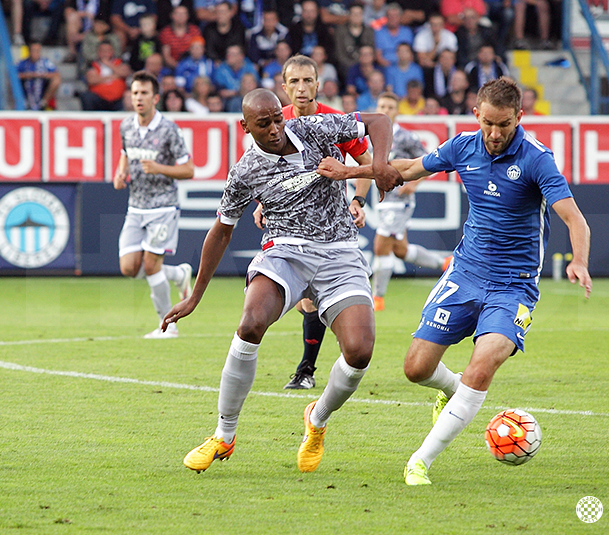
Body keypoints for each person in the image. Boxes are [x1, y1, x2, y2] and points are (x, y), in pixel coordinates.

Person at [315, 77, 592, 485]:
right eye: (489, 124)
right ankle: (451, 387)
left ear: (520, 117)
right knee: (416, 368)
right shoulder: (463, 145)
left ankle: (420, 460)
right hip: (465, 274)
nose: (495, 134)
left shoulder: (537, 159)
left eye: (505, 126)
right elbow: (408, 168)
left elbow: (574, 218)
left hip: (512, 286)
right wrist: (349, 173)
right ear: (476, 114)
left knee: (484, 364)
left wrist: (580, 261)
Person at [161, 87, 401, 475]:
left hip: (339, 250)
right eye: (264, 123)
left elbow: (378, 121)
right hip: (285, 252)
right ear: (244, 126)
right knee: (250, 322)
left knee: (359, 351)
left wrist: (382, 164)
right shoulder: (244, 171)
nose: (275, 128)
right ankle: (224, 435)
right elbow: (220, 231)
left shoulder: (314, 128)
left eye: (278, 118)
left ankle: (317, 419)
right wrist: (195, 297)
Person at [257, 54, 373, 391]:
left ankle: (307, 369)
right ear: (284, 87)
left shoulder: (336, 121)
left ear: (318, 84)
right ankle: (324, 355)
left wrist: (358, 199)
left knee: (312, 300)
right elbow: (264, 171)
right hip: (289, 227)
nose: (302, 88)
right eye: (294, 82)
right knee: (304, 302)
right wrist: (264, 202)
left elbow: (366, 162)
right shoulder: (274, 122)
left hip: (331, 228)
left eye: (308, 80)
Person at [113, 71, 195, 339]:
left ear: (155, 98)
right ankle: (178, 273)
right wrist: (119, 172)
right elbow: (125, 154)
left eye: (144, 93)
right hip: (135, 207)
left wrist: (159, 168)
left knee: (150, 266)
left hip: (163, 207)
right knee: (128, 268)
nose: (138, 98)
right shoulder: (126, 126)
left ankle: (168, 325)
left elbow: (189, 170)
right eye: (135, 92)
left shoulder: (169, 130)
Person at [371, 92, 451, 311]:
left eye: (390, 107)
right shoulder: (372, 135)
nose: (385, 110)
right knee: (400, 249)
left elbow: (430, 161)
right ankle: (444, 263)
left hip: (399, 201)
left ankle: (377, 298)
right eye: (382, 106)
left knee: (380, 246)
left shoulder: (406, 137)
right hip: (383, 200)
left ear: (397, 111)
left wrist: (413, 185)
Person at [81, 40, 131, 111]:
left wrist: (108, 64)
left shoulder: (120, 62)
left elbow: (124, 73)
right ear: (98, 52)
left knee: (128, 97)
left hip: (118, 99)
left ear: (112, 51)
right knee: (87, 96)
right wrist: (113, 76)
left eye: (108, 50)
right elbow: (92, 80)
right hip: (100, 99)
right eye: (103, 51)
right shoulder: (92, 64)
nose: (105, 53)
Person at [333, 2, 375, 81]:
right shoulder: (340, 31)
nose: (356, 17)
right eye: (354, 14)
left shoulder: (369, 31)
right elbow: (339, 54)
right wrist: (353, 66)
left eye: (359, 14)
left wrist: (364, 64)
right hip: (346, 67)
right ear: (349, 15)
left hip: (366, 65)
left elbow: (373, 50)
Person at [17, 40, 62, 111]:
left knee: (56, 80)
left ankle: (43, 103)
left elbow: (56, 74)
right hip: (27, 91)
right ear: (29, 51)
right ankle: (23, 102)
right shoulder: (23, 63)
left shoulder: (46, 62)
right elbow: (14, 75)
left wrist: (41, 75)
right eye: (33, 50)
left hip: (42, 90)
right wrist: (28, 75)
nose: (35, 53)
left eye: (37, 51)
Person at [159, 5, 203, 71]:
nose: (181, 16)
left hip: (193, 66)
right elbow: (166, 56)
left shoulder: (195, 30)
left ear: (188, 16)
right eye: (178, 14)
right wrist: (180, 67)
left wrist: (187, 66)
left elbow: (199, 50)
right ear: (172, 16)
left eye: (183, 14)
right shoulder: (165, 32)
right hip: (171, 68)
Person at [373, 3, 414, 68]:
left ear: (400, 17)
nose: (392, 18)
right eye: (390, 15)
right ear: (386, 17)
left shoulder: (407, 32)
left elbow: (411, 55)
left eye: (395, 16)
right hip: (385, 67)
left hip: (404, 66)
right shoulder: (379, 32)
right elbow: (378, 56)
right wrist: (390, 68)